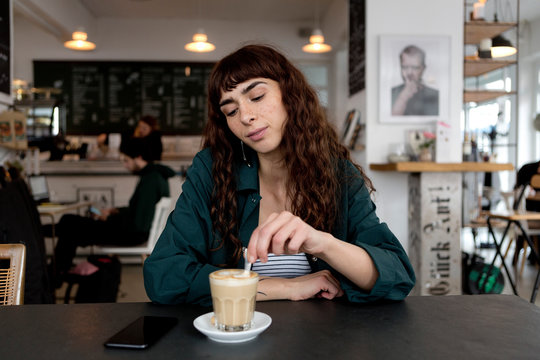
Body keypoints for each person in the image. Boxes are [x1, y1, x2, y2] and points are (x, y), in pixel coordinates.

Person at [143, 44, 415, 306]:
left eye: (257, 97)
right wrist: (287, 287)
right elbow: (164, 274)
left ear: (290, 94)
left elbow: (396, 276)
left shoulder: (338, 174)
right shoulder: (213, 170)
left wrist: (321, 243)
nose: (245, 116)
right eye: (231, 110)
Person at [49, 136, 175, 284]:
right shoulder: (156, 176)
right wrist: (115, 211)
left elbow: (138, 223)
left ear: (138, 157)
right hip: (132, 230)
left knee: (70, 224)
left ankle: (54, 275)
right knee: (70, 223)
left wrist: (108, 219)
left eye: (126, 160)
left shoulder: (150, 180)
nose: (125, 165)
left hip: (132, 234)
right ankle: (58, 271)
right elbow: (139, 210)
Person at [391, 45, 439, 116]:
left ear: (423, 68)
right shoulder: (392, 93)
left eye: (415, 68)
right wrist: (403, 97)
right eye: (405, 67)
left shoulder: (435, 95)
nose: (409, 73)